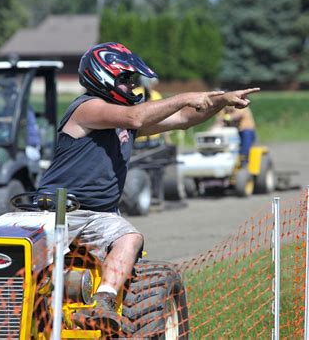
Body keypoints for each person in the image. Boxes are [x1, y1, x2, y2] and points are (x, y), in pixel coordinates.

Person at [37, 42, 259, 333]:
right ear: (104, 77)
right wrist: (186, 96)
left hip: (99, 214)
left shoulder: (122, 121)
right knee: (31, 271)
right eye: (127, 80)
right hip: (57, 208)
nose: (132, 86)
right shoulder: (87, 108)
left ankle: (102, 303)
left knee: (130, 237)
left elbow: (183, 120)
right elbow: (137, 116)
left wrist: (221, 100)